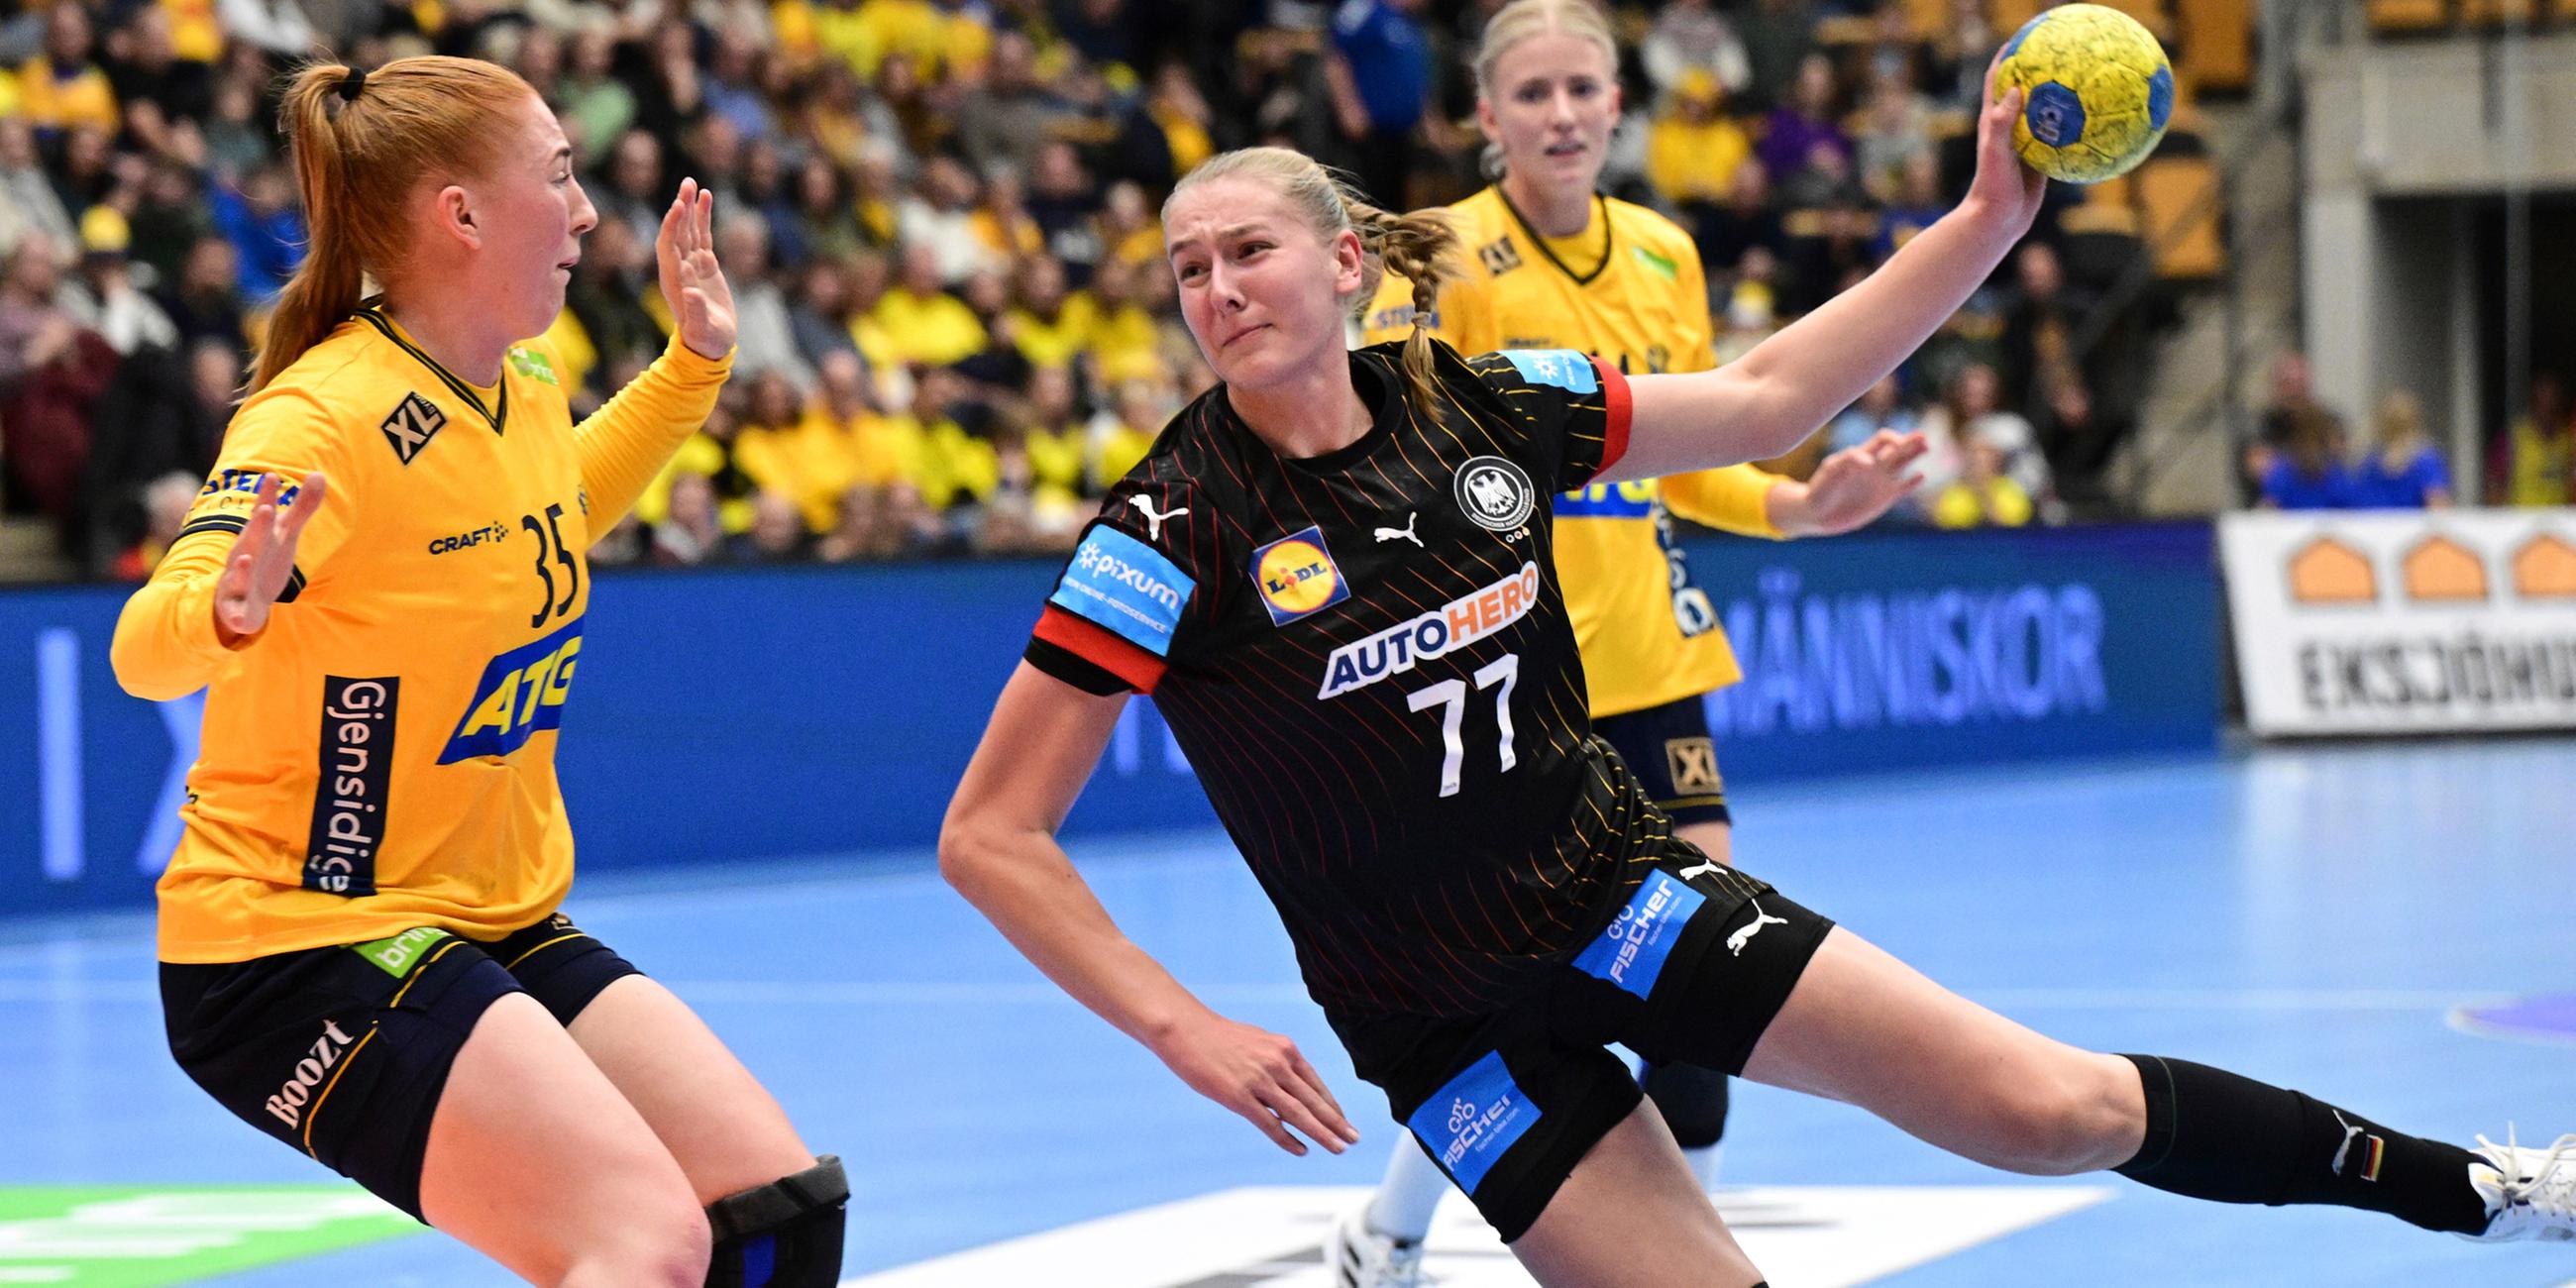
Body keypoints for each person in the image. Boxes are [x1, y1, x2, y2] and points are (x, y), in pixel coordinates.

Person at [938, 133, 2575, 1288]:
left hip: (1621, 895)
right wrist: (1188, 1029)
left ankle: (2490, 1192)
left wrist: (1986, 220)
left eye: (1249, 251)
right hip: (1440, 1022)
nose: (1218, 289)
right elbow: (993, 835)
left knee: (2047, 1108)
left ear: (1346, 262)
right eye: (1189, 271)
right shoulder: (1168, 530)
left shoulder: (1485, 403)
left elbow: (1774, 394)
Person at [107, 57, 845, 1288]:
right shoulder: (325, 417)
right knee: (640, 1242)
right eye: (558, 177)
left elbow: (548, 514)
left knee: (774, 1213)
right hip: (296, 943)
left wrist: (690, 369)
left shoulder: (520, 378)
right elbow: (144, 648)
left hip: (483, 913)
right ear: (460, 214)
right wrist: (224, 612)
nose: (587, 213)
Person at [1345, 2, 1926, 1279]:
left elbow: (1694, 453)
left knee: (1703, 977)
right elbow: (1390, 467)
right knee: (1502, 993)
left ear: (1618, 104)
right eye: (1531, 92)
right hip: (1513, 680)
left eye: (1581, 89)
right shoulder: (1436, 256)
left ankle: (1682, 1256)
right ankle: (1388, 1227)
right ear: (1484, 116)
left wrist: (1797, 506)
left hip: (1657, 665)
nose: (1559, 114)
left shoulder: (1664, 251)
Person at [2352, 388, 2452, 509]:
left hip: (2410, 520)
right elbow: (2359, 500)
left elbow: (2438, 503)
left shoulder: (2425, 460)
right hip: (2375, 519)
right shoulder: (2372, 460)